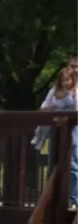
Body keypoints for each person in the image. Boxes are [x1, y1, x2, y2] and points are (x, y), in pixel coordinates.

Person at [33, 67, 78, 211]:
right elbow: (44, 106)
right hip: (57, 129)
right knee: (53, 160)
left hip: (74, 129)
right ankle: (54, 198)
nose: (66, 83)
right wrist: (47, 109)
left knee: (73, 164)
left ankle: (74, 199)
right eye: (63, 80)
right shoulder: (54, 91)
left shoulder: (75, 92)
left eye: (68, 80)